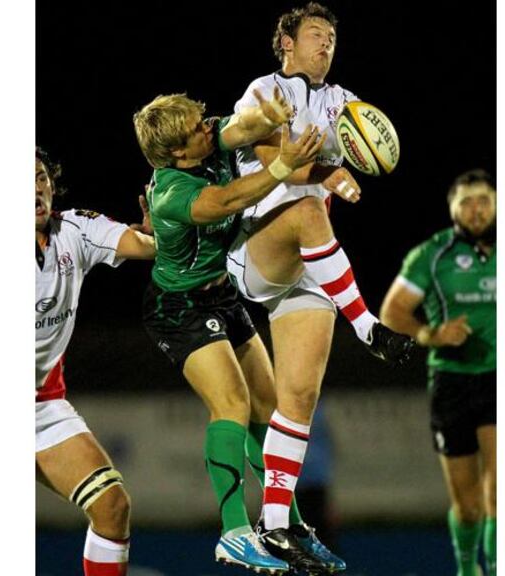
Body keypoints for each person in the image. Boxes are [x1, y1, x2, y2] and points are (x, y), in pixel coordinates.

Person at [225, 2, 412, 570]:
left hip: (313, 267)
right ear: (286, 40)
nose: (326, 43)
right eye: (314, 34)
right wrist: (329, 171)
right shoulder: (262, 91)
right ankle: (370, 327)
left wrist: (359, 161)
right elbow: (261, 158)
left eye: (332, 36)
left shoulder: (344, 102)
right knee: (308, 210)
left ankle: (276, 522)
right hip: (259, 246)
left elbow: (367, 145)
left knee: (298, 397)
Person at [133, 90, 332, 574]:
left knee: (269, 409)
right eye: (198, 127)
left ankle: (285, 526)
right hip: (178, 308)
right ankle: (234, 532)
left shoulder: (204, 140)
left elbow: (238, 128)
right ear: (178, 152)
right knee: (232, 406)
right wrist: (283, 166)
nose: (208, 127)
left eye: (203, 120)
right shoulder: (174, 193)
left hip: (221, 297)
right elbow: (227, 200)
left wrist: (269, 114)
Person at [35, 147, 156, 576]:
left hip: (42, 408)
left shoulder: (75, 229)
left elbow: (143, 245)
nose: (35, 189)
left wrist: (158, 232)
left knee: (111, 505)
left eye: (41, 178)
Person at [379, 169, 497, 576]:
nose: (476, 209)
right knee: (469, 508)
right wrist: (431, 334)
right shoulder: (431, 255)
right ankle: (467, 567)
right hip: (453, 382)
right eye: (466, 202)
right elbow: (392, 313)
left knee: (499, 496)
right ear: (452, 209)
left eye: (484, 199)